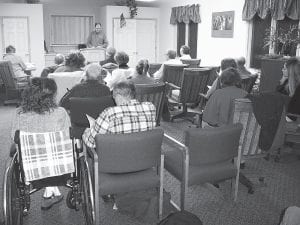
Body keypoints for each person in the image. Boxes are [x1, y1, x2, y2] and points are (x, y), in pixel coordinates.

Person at [11, 77, 71, 210]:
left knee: (19, 147)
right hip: (59, 165)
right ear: (52, 94)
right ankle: (51, 190)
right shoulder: (60, 113)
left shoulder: (20, 113)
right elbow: (68, 135)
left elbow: (13, 136)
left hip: (30, 165)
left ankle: (50, 191)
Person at [82, 81, 156, 148]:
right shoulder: (150, 107)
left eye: (114, 98)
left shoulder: (110, 113)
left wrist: (86, 131)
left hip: (116, 160)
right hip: (145, 158)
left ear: (119, 97)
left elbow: (91, 143)